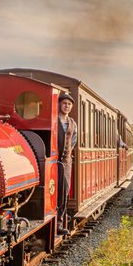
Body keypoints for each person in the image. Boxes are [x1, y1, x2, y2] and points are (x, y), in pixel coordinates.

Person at [57, 92, 78, 232]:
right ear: (59, 104)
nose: (66, 106)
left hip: (65, 162)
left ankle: (59, 222)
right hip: (53, 161)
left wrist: (68, 155)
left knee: (64, 192)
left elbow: (73, 141)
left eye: (69, 104)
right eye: (64, 103)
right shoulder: (53, 120)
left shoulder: (72, 123)